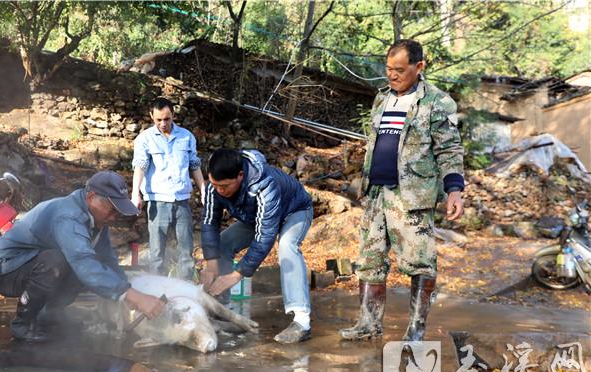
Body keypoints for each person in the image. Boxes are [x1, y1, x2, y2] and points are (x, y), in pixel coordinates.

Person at [339, 39, 464, 342]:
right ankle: (368, 323)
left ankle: (416, 328)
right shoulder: (381, 98)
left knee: (419, 261)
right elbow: (374, 143)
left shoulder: (436, 101)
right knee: (369, 260)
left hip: (411, 195)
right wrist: (365, 181)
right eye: (388, 69)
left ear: (419, 67)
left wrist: (454, 189)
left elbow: (449, 149)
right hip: (376, 193)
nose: (391, 76)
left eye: (399, 70)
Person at [0, 171, 167, 342]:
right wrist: (134, 296)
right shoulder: (68, 216)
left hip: (33, 264)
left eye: (117, 212)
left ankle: (50, 314)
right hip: (6, 269)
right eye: (111, 210)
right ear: (91, 198)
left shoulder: (97, 221)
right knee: (58, 262)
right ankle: (23, 324)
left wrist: (127, 293)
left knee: (81, 266)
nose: (114, 217)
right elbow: (85, 265)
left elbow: (107, 261)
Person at [200, 149, 314, 344]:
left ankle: (302, 321)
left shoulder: (264, 185)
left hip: (294, 211)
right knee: (223, 243)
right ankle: (222, 308)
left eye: (225, 186)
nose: (219, 190)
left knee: (287, 246)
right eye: (215, 184)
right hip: (257, 218)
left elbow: (265, 236)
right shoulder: (214, 187)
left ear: (240, 176)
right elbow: (209, 223)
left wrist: (237, 274)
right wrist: (211, 264)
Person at [131, 97, 205, 280]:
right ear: (151, 116)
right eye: (158, 120)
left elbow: (194, 165)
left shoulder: (186, 137)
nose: (163, 123)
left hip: (181, 200)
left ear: (173, 115)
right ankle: (157, 291)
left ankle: (186, 289)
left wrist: (204, 190)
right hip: (157, 201)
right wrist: (135, 194)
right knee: (157, 252)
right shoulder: (145, 139)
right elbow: (140, 166)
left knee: (186, 249)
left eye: (167, 119)